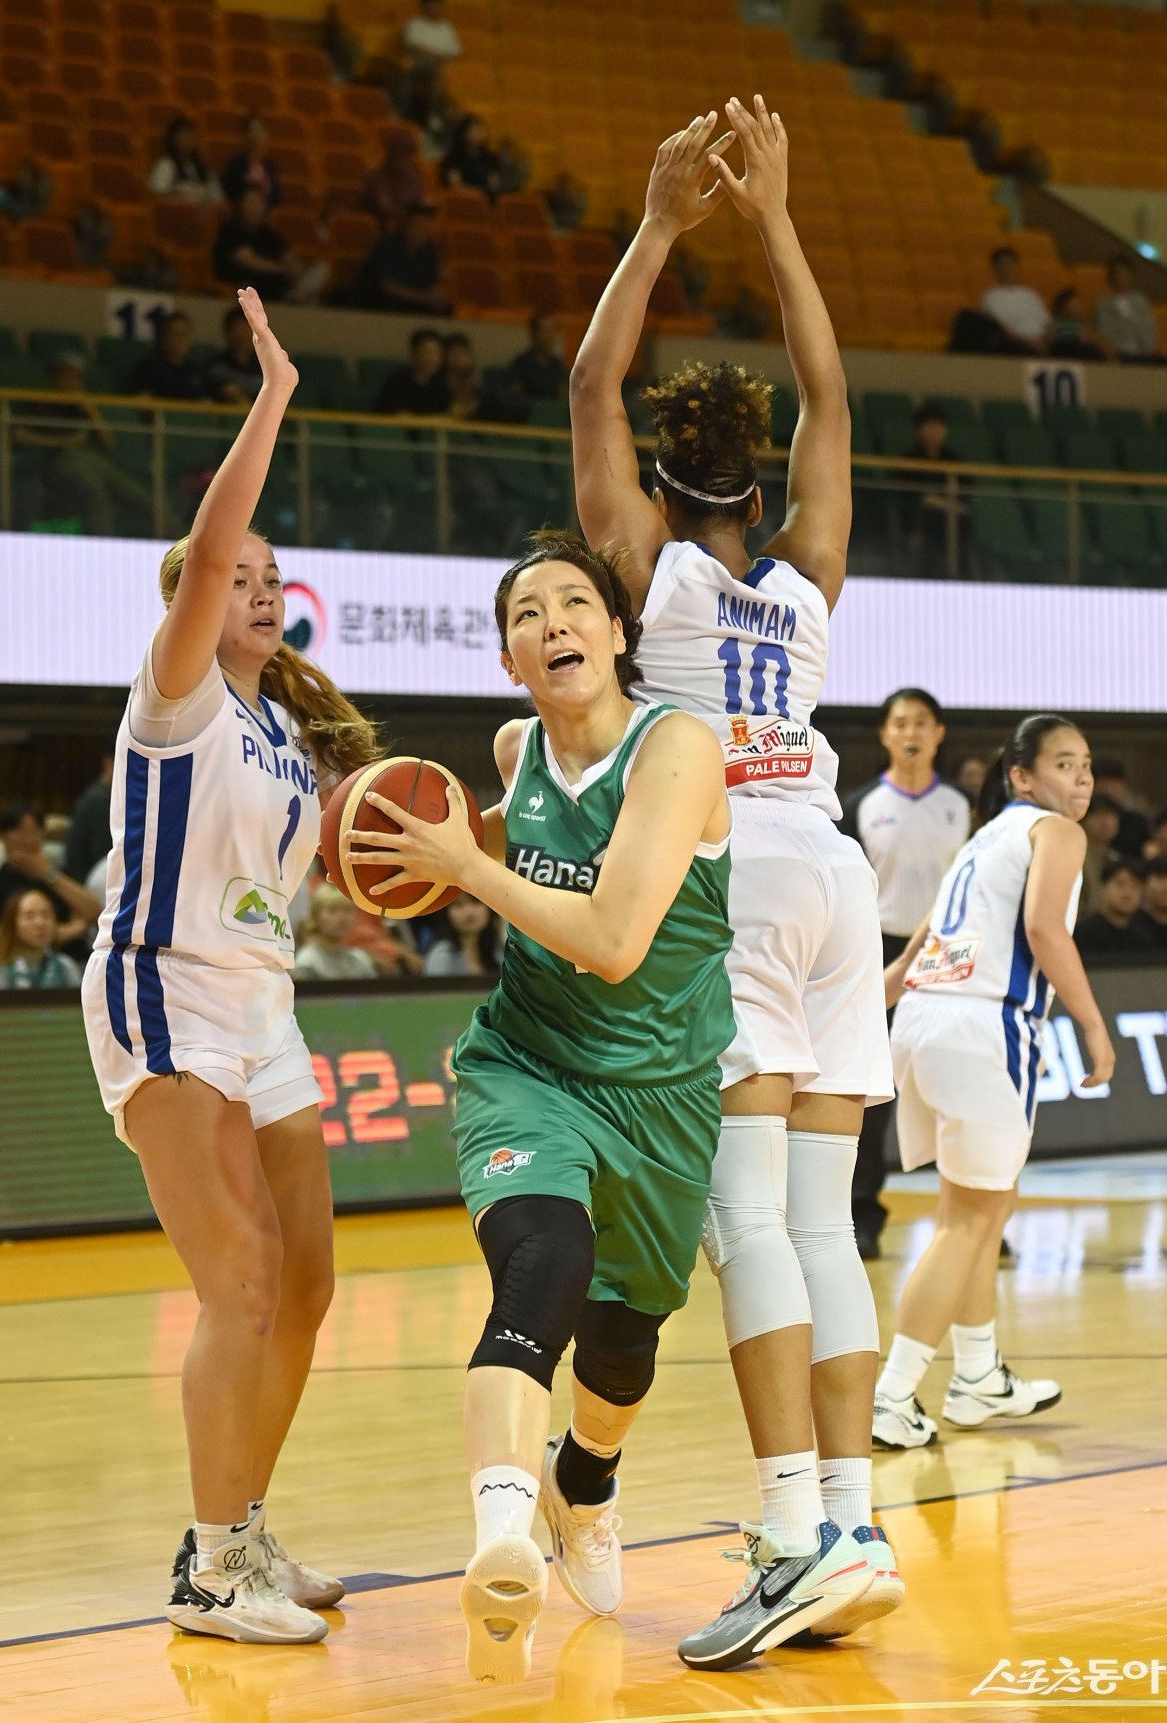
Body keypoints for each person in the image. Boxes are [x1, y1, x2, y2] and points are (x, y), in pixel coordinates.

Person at [568, 101, 891, 1672]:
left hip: (736, 875)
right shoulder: (806, 580)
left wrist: (657, 224)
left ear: (666, 486)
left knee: (743, 1216)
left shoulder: (656, 575)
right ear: (760, 493)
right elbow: (831, 389)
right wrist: (772, 220)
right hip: (834, 871)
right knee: (824, 1222)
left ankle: (791, 1531)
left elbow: (590, 384)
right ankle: (856, 1521)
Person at [345, 530, 737, 1684]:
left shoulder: (678, 748)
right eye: (527, 612)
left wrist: (466, 868)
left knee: (624, 1341)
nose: (553, 620)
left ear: (617, 632)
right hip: (526, 1064)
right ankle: (502, 1541)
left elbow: (614, 941)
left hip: (660, 1091)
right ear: (508, 656)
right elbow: (458, 864)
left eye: (574, 602)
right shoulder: (516, 753)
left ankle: (585, 1484)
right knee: (543, 1263)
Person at [80, 287, 384, 1646]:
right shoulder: (179, 693)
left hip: (265, 1008)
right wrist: (273, 395)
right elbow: (207, 554)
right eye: (238, 574)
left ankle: (242, 1525)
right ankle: (210, 1572)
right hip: (164, 992)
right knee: (241, 1280)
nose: (257, 586)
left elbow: (318, 881)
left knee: (306, 1285)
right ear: (198, 601)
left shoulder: (286, 742)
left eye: (273, 575)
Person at [873, 716, 1115, 1449]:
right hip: (982, 1027)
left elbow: (913, 953)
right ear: (1021, 776)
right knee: (968, 1222)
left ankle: (977, 1375)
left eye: (1086, 763)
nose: (1082, 776)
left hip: (923, 1020)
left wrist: (852, 1020)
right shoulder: (1056, 832)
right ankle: (891, 1396)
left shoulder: (981, 840)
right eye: (1064, 763)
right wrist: (1094, 1025)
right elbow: (1046, 929)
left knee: (979, 1208)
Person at [841, 689, 970, 1258]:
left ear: (939, 733)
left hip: (951, 953)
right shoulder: (860, 805)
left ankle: (973, 1215)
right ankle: (862, 1215)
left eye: (921, 722)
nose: (911, 732)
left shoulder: (964, 806)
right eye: (900, 723)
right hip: (881, 951)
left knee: (959, 1083)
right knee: (876, 1090)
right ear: (884, 734)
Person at [14, 353, 152, 537]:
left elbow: (109, 444)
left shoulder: (80, 407)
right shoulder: (38, 402)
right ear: (54, 378)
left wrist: (90, 410)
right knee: (94, 490)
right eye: (67, 376)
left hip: (95, 461)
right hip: (59, 462)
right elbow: (19, 436)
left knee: (141, 498)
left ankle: (175, 543)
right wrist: (60, 443)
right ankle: (102, 543)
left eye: (77, 377)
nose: (72, 383)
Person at [0, 801, 101, 951]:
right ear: (3, 836)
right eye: (20, 832)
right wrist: (76, 928)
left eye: (34, 832)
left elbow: (95, 911)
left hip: (76, 956)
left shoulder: (58, 875)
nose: (28, 840)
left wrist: (47, 874)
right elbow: (17, 936)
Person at [212, 188, 328, 306]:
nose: (254, 207)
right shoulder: (231, 230)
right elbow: (248, 260)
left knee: (321, 270)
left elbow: (287, 256)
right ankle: (294, 297)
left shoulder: (268, 233)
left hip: (279, 279)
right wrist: (280, 269)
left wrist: (295, 270)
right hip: (247, 279)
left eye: (258, 203)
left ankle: (298, 295)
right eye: (250, 202)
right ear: (241, 205)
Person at [895, 402, 968, 579]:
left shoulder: (953, 460)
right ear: (919, 430)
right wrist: (930, 501)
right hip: (919, 520)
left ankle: (960, 573)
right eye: (930, 426)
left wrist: (952, 505)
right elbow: (905, 494)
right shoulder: (910, 460)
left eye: (939, 427)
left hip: (953, 519)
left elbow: (967, 492)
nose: (935, 431)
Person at [357, 204, 451, 315]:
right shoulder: (386, 246)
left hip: (415, 305)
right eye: (418, 226)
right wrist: (422, 298)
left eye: (426, 227)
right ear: (406, 225)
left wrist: (436, 296)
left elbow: (433, 282)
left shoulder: (429, 251)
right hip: (383, 304)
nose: (423, 231)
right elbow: (385, 285)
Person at [0, 889, 83, 989]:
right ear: (12, 923)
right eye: (29, 916)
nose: (40, 923)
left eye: (46, 915)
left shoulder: (66, 967)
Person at [292, 884, 379, 981]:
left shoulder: (361, 960)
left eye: (347, 910)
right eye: (332, 910)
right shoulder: (307, 963)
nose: (342, 918)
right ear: (315, 916)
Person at [978, 246, 1050, 354]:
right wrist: (1031, 343)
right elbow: (1001, 330)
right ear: (994, 269)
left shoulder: (1030, 294)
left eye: (1010, 264)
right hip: (1015, 345)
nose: (1006, 268)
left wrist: (1046, 341)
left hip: (1041, 343)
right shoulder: (990, 297)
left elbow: (1047, 323)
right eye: (1002, 264)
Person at [1095, 254, 1166, 365]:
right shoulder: (1105, 304)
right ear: (1111, 277)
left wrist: (1147, 349)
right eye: (1118, 273)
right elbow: (1106, 331)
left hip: (1143, 353)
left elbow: (1149, 328)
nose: (1122, 278)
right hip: (1120, 354)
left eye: (1126, 273)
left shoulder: (1140, 301)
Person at [1074, 858, 1154, 955]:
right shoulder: (1084, 933)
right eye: (1120, 884)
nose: (1127, 893)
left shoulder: (1144, 937)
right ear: (1103, 888)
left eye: (1134, 886)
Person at [63, 747, 115, 886]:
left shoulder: (102, 795)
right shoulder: (100, 800)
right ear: (109, 763)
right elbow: (105, 861)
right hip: (91, 884)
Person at [129, 312, 209, 402]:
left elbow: (206, 402)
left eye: (184, 333)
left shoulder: (196, 372)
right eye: (174, 333)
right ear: (163, 336)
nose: (180, 338)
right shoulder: (149, 368)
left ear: (191, 338)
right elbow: (142, 400)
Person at [422, 891, 501, 977]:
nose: (469, 912)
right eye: (458, 905)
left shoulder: (500, 952)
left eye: (476, 902)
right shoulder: (441, 956)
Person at [148, 116, 223, 206]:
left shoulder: (203, 167)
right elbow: (158, 193)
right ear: (173, 139)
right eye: (184, 136)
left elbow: (218, 197)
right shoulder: (166, 164)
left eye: (191, 136)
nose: (188, 140)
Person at [373, 327, 449, 416]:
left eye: (436, 353)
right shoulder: (397, 379)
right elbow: (383, 411)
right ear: (414, 353)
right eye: (426, 352)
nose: (432, 359)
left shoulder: (442, 382)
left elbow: (446, 414)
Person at [361, 132, 428, 226]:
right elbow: (385, 207)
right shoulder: (377, 177)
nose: (404, 160)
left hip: (407, 225)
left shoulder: (414, 178)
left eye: (408, 155)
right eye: (400, 156)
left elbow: (420, 203)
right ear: (391, 156)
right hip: (381, 226)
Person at [1091, 757, 1150, 858]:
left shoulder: (1136, 822)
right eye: (1104, 785)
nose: (1109, 790)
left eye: (1114, 785)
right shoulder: (1081, 816)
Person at [207, 304, 265, 405]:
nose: (242, 335)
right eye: (238, 329)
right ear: (227, 332)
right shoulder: (218, 364)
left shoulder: (263, 365)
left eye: (246, 329)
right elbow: (228, 391)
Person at [220, 115, 282, 210]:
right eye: (252, 131)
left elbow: (277, 197)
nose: (256, 135)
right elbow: (230, 194)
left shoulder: (271, 167)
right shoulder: (235, 165)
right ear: (245, 135)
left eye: (260, 130)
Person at [507, 313, 570, 405]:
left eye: (551, 330)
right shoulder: (521, 363)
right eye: (544, 330)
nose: (548, 336)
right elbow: (515, 395)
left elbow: (563, 397)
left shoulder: (557, 365)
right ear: (533, 333)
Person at [1078, 791, 1122, 918]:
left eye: (1110, 815)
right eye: (1098, 815)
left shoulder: (1117, 859)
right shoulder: (1077, 856)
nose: (1105, 822)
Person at [441, 115, 502, 200]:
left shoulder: (489, 158)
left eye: (481, 129)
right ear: (464, 133)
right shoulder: (453, 158)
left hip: (487, 202)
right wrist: (479, 195)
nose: (479, 133)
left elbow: (494, 185)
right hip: (464, 201)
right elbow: (456, 186)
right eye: (474, 130)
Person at [400, 0, 462, 71]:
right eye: (431, 6)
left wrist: (443, 60)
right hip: (420, 66)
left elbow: (456, 53)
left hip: (445, 65)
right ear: (424, 7)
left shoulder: (447, 27)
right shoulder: (414, 24)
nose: (434, 9)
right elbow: (413, 48)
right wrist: (435, 58)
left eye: (437, 6)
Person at [1049, 288, 1105, 361]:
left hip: (1081, 346)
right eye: (1073, 304)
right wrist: (1076, 337)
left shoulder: (1080, 323)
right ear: (1063, 306)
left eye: (1078, 304)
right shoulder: (1058, 321)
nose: (1077, 307)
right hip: (1065, 346)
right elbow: (1053, 335)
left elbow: (1087, 335)